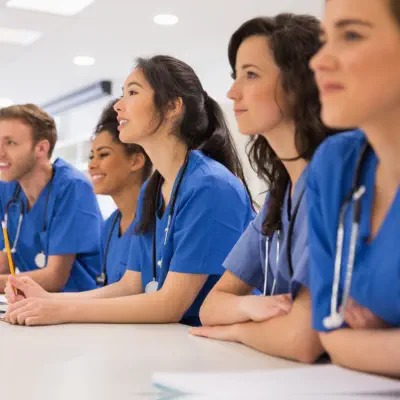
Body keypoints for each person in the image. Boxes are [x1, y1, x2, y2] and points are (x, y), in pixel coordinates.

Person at [3, 55, 254, 327]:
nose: (119, 106)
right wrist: (50, 301)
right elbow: (130, 285)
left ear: (172, 107)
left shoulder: (210, 186)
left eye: (132, 92)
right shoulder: (154, 188)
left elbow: (169, 305)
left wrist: (60, 311)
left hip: (214, 350)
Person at [191, 14, 334, 363]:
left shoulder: (332, 183)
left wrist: (237, 329)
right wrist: (251, 306)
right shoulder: (279, 195)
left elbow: (301, 339)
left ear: (299, 83)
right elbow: (211, 307)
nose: (232, 92)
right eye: (235, 76)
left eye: (250, 75)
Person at [306, 0, 400, 378]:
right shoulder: (336, 166)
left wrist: (372, 344)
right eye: (325, 39)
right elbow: (330, 334)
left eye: (351, 35)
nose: (319, 61)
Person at [0, 104, 102, 292]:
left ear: (41, 148)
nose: (0, 152)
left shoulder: (72, 187)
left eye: (10, 143)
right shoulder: (6, 188)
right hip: (37, 305)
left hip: (80, 310)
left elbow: (54, 278)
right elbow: (4, 264)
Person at [90, 99, 152, 286]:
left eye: (104, 154)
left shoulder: (155, 221)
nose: (92, 165)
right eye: (91, 156)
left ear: (135, 161)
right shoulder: (110, 226)